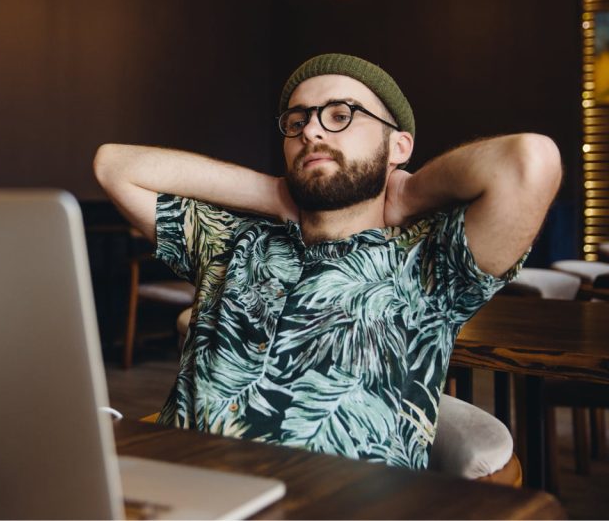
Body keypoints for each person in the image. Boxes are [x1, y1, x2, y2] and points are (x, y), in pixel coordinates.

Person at [93, 53, 561, 469]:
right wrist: (273, 191)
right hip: (181, 490)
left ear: (398, 146)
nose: (312, 130)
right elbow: (114, 166)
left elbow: (530, 161)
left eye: (341, 115)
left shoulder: (427, 260)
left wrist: (407, 192)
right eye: (296, 123)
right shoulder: (232, 240)